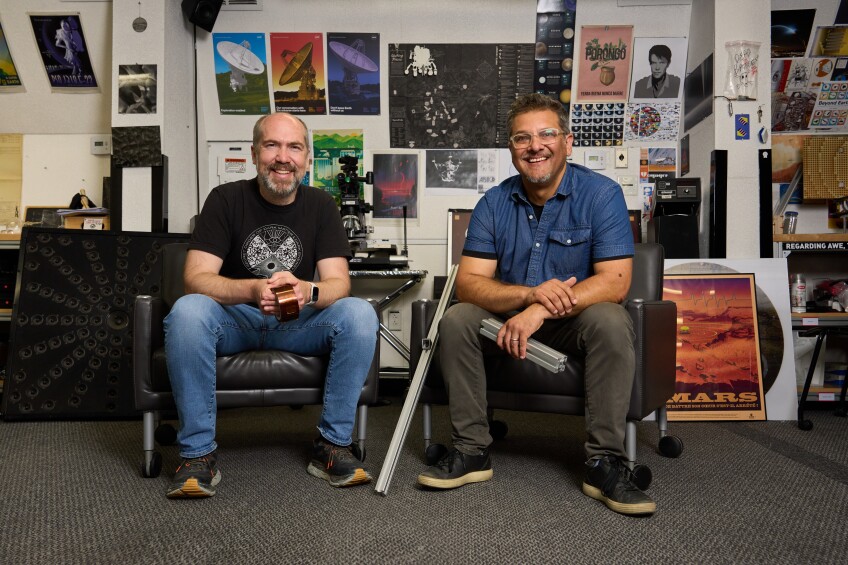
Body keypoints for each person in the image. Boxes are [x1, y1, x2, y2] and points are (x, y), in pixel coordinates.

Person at [417, 93, 656, 516]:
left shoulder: (602, 195)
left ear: (568, 141)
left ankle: (604, 463)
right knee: (457, 318)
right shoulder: (493, 203)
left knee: (610, 319)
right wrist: (528, 295)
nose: (535, 145)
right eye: (522, 138)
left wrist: (541, 310)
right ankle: (472, 451)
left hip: (574, 322)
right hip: (505, 321)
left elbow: (615, 282)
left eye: (547, 134)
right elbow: (470, 285)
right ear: (511, 149)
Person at [163, 112, 378, 498]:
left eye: (294, 147)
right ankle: (197, 455)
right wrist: (252, 290)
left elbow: (338, 284)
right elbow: (195, 277)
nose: (283, 157)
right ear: (254, 153)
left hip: (297, 322)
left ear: (308, 159)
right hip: (235, 321)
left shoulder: (321, 204)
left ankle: (333, 445)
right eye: (272, 145)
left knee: (360, 313)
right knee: (188, 311)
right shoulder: (225, 199)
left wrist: (307, 291)